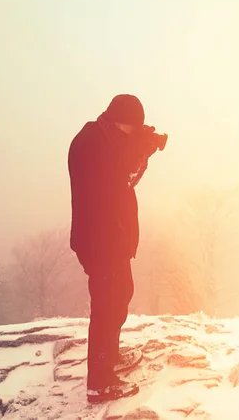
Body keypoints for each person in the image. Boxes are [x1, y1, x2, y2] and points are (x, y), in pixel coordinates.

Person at [68, 94, 163, 403]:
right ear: (121, 121)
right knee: (106, 308)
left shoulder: (104, 136)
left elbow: (123, 175)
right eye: (133, 128)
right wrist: (142, 151)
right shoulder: (92, 144)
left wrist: (141, 148)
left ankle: (110, 356)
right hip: (100, 241)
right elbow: (118, 181)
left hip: (111, 239)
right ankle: (100, 383)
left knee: (121, 294)